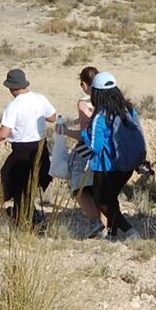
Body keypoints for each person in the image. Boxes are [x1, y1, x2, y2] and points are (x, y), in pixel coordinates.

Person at [83, 72, 146, 241]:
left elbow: (95, 147)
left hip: (106, 166)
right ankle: (112, 233)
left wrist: (84, 134)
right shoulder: (129, 109)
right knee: (111, 198)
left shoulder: (100, 116)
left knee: (101, 199)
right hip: (127, 164)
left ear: (96, 93)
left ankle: (129, 230)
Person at [0, 69, 56, 226]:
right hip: (41, 147)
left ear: (11, 88)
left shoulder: (13, 106)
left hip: (21, 151)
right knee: (29, 185)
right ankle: (25, 214)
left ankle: (25, 217)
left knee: (6, 184)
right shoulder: (40, 98)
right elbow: (52, 117)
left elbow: (3, 133)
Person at [63, 66, 104, 234]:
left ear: (84, 84)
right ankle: (107, 222)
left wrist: (65, 131)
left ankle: (96, 222)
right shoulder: (109, 97)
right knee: (100, 188)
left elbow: (86, 133)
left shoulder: (84, 102)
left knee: (79, 187)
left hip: (89, 151)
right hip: (108, 150)